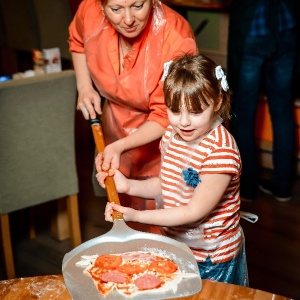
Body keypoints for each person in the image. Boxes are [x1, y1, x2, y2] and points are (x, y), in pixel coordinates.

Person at [96, 53, 249, 285]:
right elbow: (166, 183)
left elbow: (193, 212)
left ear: (217, 102)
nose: (184, 122)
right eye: (175, 110)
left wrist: (137, 215)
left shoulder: (221, 151)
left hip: (213, 258)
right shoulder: (172, 134)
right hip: (178, 245)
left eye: (196, 112)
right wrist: (128, 185)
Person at [68, 0, 198, 211]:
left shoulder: (176, 36)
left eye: (138, 6)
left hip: (160, 142)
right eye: (116, 9)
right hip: (114, 127)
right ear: (101, 6)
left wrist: (120, 146)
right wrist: (84, 86)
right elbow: (77, 41)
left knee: (158, 220)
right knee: (123, 207)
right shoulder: (89, 9)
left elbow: (165, 114)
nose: (128, 20)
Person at [227, 0, 300, 202]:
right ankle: (282, 186)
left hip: (254, 27)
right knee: (282, 111)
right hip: (288, 25)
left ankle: (247, 187)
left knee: (243, 112)